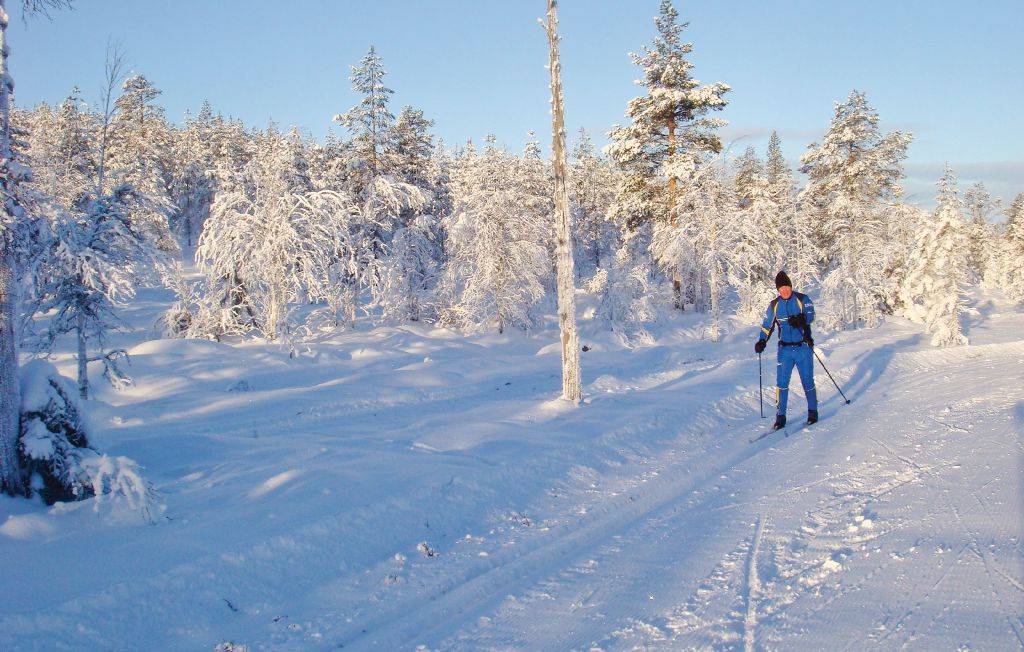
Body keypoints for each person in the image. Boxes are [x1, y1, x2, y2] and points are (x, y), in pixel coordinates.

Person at [754, 271, 818, 430]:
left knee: (807, 381)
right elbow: (767, 324)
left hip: (803, 348)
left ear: (791, 286)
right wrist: (762, 340)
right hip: (785, 350)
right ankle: (780, 417)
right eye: (781, 288)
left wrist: (801, 319)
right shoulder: (774, 305)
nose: (785, 291)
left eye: (787, 287)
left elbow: (811, 315)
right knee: (781, 384)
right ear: (778, 290)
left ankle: (812, 412)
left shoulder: (802, 299)